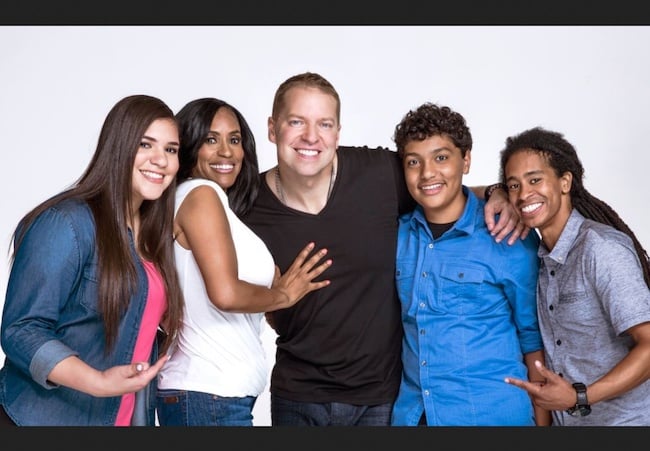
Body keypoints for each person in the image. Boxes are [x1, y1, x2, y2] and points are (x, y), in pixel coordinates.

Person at [241, 71, 528, 426]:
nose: (311, 137)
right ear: (272, 128)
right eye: (296, 122)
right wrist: (277, 298)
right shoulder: (246, 205)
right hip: (297, 395)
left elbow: (438, 182)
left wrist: (500, 191)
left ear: (338, 132)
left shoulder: (378, 175)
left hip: (379, 399)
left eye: (324, 124)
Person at [0, 94, 184, 426]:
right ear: (119, 148)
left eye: (170, 150)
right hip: (44, 419)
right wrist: (97, 382)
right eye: (146, 145)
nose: (161, 159)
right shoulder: (67, 224)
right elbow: (21, 330)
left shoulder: (154, 238)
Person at [155, 98, 332, 426]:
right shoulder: (200, 195)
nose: (226, 152)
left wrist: (274, 295)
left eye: (234, 140)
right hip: (206, 397)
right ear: (190, 144)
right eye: (211, 140)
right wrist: (284, 295)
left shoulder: (213, 204)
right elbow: (225, 293)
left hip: (216, 399)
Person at [389, 102, 549, 426]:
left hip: (492, 416)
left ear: (466, 160)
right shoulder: (396, 236)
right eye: (413, 162)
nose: (427, 173)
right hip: (413, 416)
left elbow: (535, 344)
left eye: (441, 157)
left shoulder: (507, 236)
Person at [500, 126, 650, 426]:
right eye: (513, 185)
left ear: (565, 181)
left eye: (535, 180)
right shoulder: (539, 259)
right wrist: (493, 193)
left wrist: (580, 397)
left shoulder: (600, 249)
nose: (524, 194)